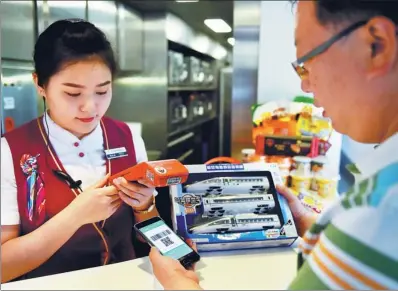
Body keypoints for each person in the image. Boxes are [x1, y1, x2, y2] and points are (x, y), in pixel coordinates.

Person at [149, 0, 398, 289]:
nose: (305, 85)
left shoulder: (380, 213)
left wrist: (178, 283)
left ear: (376, 46)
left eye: (307, 61)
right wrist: (314, 226)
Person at [1, 19, 160, 283]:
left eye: (102, 91)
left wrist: (145, 205)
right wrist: (75, 216)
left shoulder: (128, 137)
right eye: (73, 94)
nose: (91, 107)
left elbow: (150, 234)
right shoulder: (10, 151)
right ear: (39, 83)